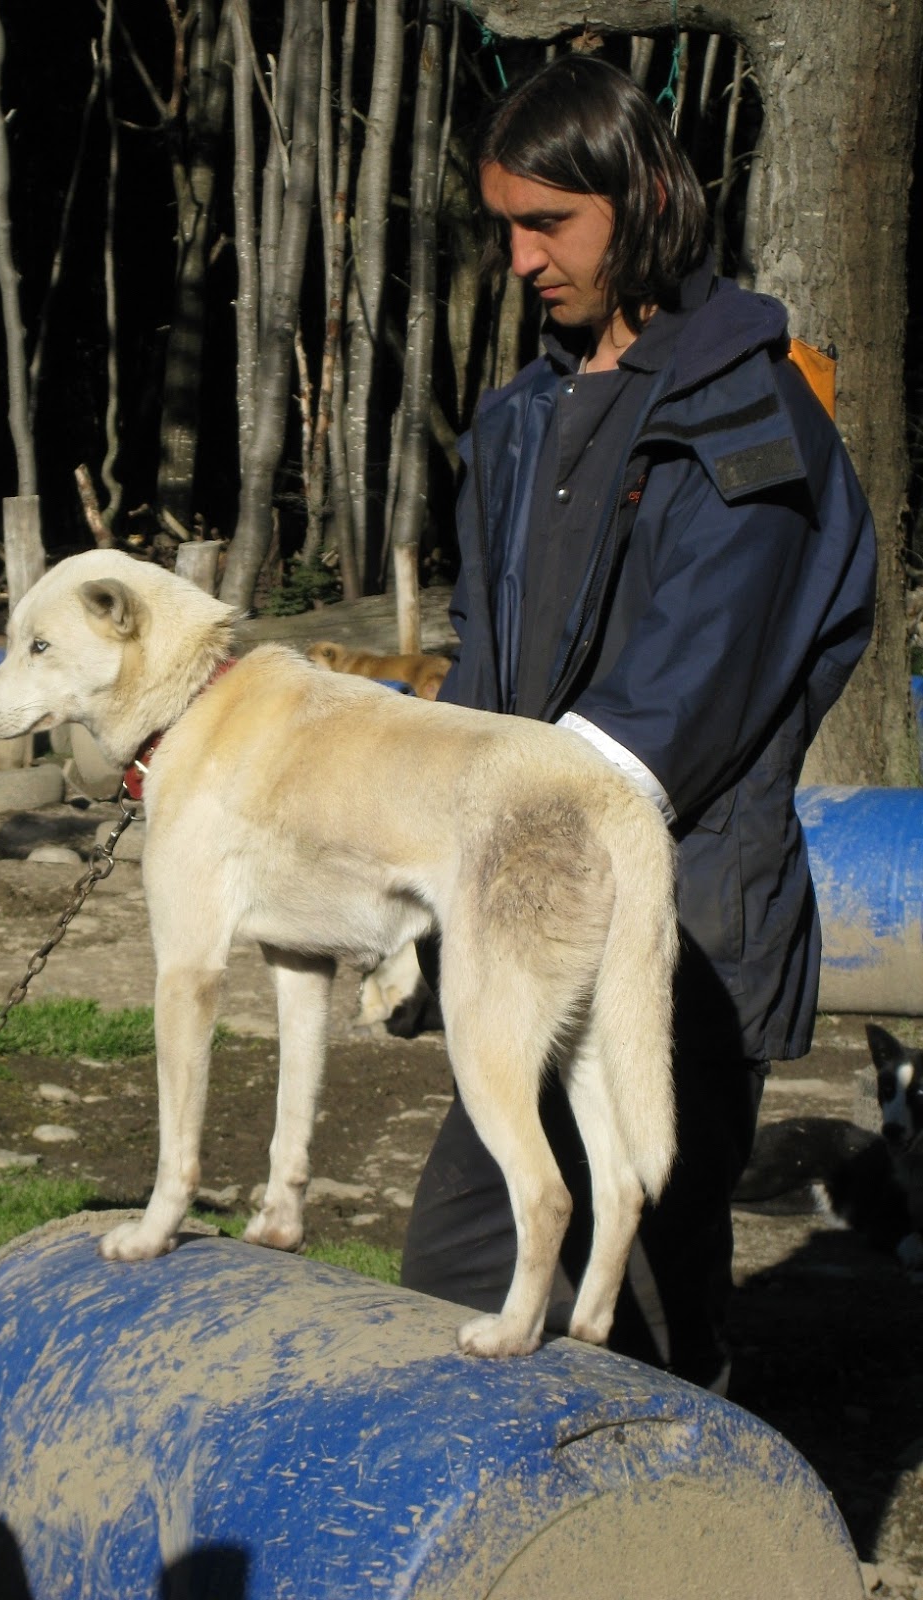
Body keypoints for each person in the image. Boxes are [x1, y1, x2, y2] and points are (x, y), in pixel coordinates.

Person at [399, 53, 877, 1392]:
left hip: (680, 924)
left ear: (647, 196)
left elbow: (683, 696)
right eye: (504, 226)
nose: (520, 261)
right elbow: (488, 673)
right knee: (459, 1270)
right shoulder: (516, 418)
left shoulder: (756, 410)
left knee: (653, 1312)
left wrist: (497, 857)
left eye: (549, 223)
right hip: (517, 902)